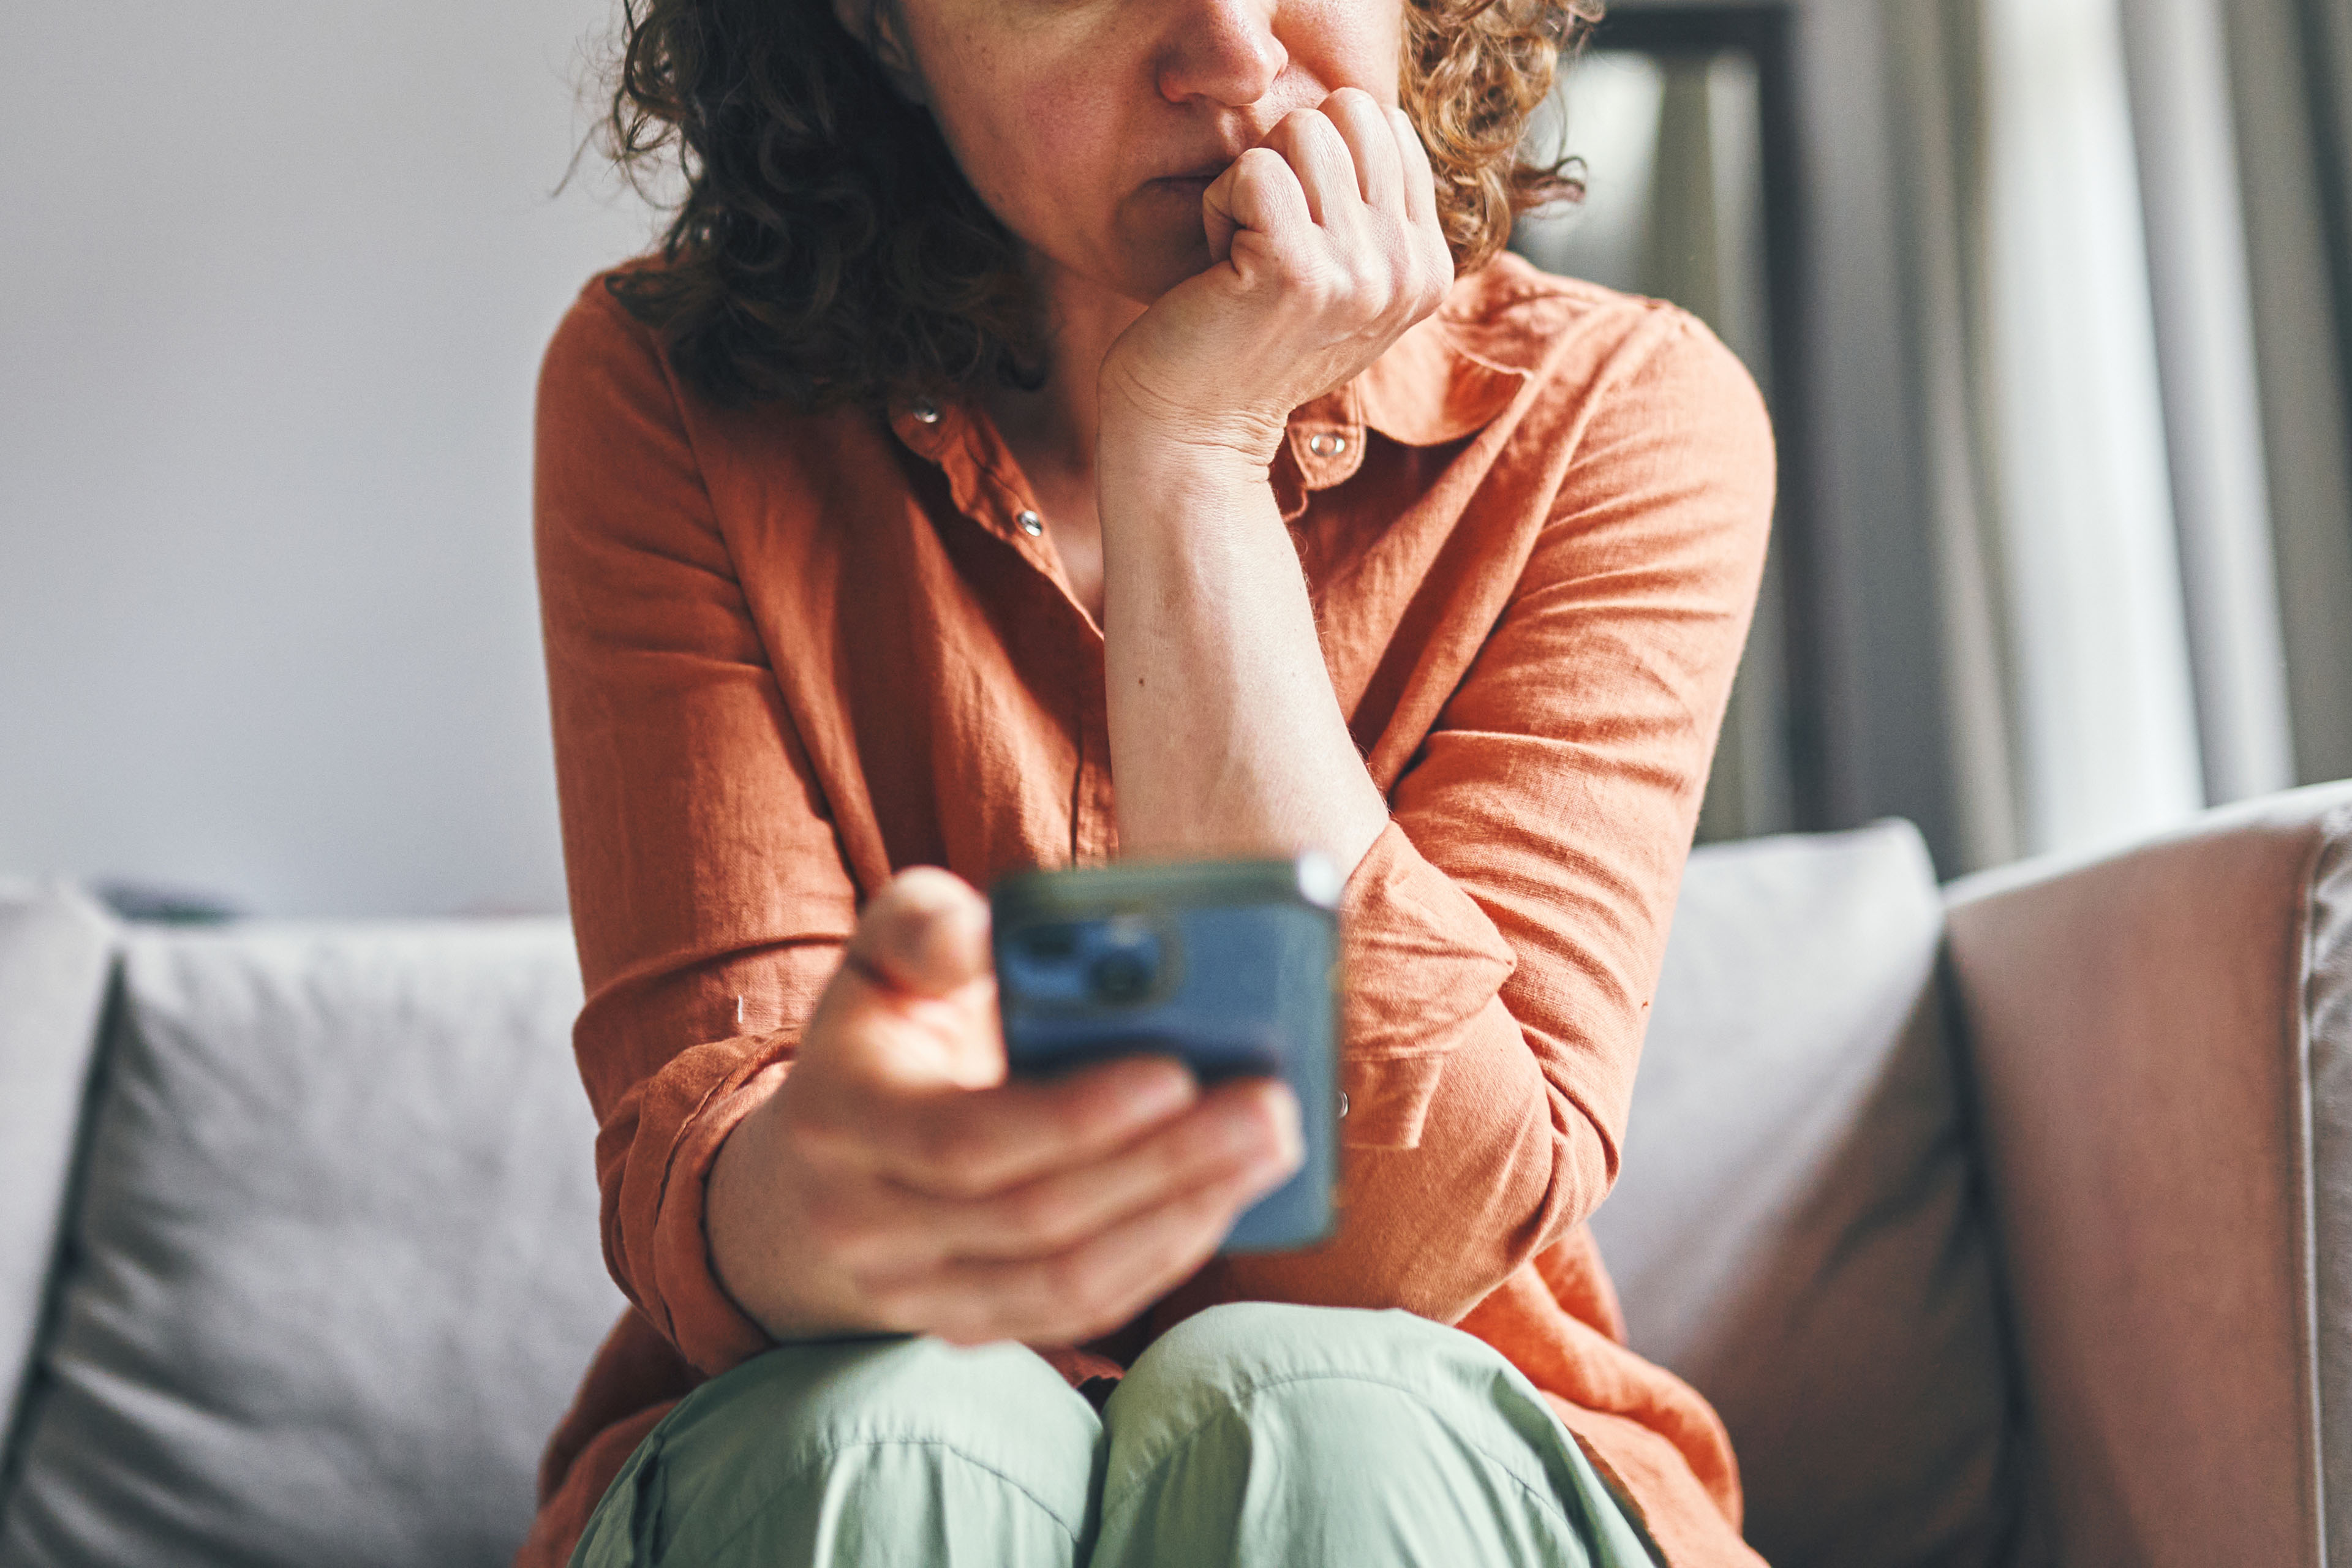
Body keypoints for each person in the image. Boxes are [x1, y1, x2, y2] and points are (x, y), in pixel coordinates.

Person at [519, 0, 1777, 1559]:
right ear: (881, 30)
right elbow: (703, 1155)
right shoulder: (667, 391)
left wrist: (1190, 444)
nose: (1232, 52)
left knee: (1313, 1407)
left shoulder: (1624, 417)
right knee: (887, 1426)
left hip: (1423, 1439)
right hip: (842, 1430)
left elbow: (1405, 1231)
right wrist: (841, 1190)